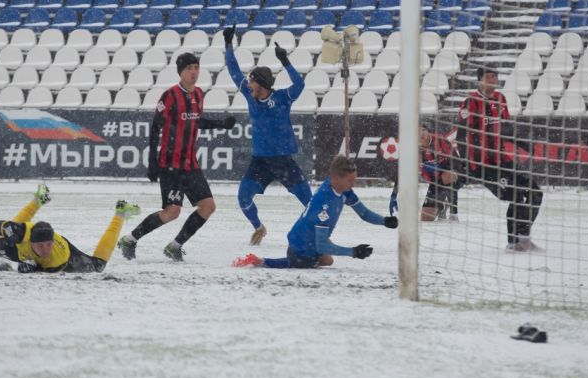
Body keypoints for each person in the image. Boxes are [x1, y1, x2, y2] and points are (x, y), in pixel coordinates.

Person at [117, 53, 236, 262]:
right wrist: (152, 161)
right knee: (172, 212)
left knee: (208, 206)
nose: (193, 72)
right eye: (189, 68)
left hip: (190, 164)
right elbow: (155, 128)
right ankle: (130, 239)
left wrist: (220, 124)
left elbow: (197, 121)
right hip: (170, 164)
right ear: (180, 72)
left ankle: (175, 246)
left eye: (196, 67)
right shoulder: (170, 96)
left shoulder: (198, 94)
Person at [223, 25, 312, 246]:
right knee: (243, 198)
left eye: (252, 81)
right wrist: (228, 45)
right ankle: (259, 228)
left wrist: (286, 62)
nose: (248, 84)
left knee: (310, 202)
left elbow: (300, 84)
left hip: (283, 161)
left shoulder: (282, 98)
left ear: (261, 84)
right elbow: (233, 70)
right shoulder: (250, 95)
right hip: (260, 161)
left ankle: (315, 234)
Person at [232, 155, 398, 269]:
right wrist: (353, 252)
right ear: (335, 178)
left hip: (306, 243)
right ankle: (260, 261)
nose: (353, 184)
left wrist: (384, 221)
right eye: (350, 180)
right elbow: (323, 244)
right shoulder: (324, 204)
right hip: (300, 249)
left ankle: (262, 261)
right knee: (312, 262)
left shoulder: (341, 189)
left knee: (327, 260)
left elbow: (363, 213)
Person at [457, 67, 543, 251]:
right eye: (488, 76)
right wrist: (465, 163)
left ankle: (524, 239)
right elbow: (460, 136)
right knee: (516, 195)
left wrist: (523, 144)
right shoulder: (470, 103)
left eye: (495, 76)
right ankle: (513, 244)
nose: (493, 79)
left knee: (535, 192)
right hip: (482, 165)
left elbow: (505, 130)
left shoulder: (501, 99)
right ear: (480, 80)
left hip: (502, 160)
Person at [0, 183, 141, 273]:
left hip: (68, 254)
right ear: (30, 241)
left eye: (48, 244)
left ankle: (120, 213)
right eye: (41, 245)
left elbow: (46, 272)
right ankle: (38, 200)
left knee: (98, 266)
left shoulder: (55, 258)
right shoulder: (19, 234)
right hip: (24, 241)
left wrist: (31, 268)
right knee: (10, 237)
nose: (46, 249)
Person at [418, 126, 464, 222]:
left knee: (448, 175)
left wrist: (440, 168)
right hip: (436, 181)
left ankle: (453, 213)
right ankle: (442, 207)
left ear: (428, 131)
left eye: (423, 130)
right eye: (417, 131)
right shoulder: (415, 150)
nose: (421, 133)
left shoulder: (439, 140)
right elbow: (406, 172)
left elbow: (455, 162)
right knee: (425, 219)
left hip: (456, 175)